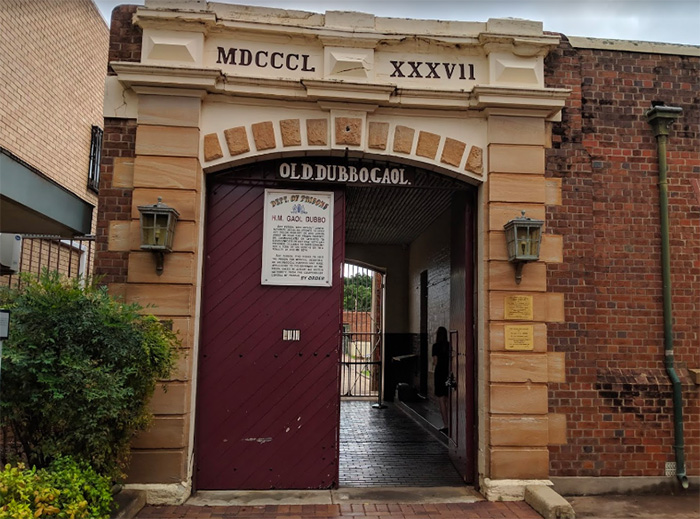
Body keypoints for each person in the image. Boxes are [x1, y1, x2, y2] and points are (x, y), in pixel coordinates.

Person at [432, 326, 450, 434]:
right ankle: (452, 423)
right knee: (448, 398)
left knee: (441, 399)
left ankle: (446, 424)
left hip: (439, 373)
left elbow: (435, 362)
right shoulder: (449, 345)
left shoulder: (435, 346)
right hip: (448, 372)